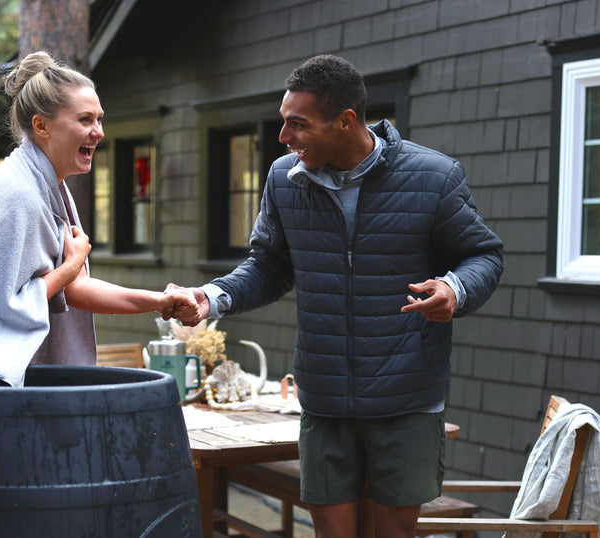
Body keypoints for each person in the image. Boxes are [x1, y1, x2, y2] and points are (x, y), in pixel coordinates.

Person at [171, 54, 504, 537]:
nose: (284, 138)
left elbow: (484, 255)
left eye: (297, 125)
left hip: (405, 398)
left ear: (346, 121)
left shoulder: (433, 177)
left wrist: (456, 287)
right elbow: (269, 266)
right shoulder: (286, 180)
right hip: (324, 400)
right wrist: (212, 297)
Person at [0, 51, 196, 388]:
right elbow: (2, 308)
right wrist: (69, 267)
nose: (98, 132)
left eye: (100, 119)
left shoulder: (46, 185)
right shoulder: (17, 196)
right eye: (85, 120)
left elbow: (75, 289)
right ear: (41, 126)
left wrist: (157, 301)